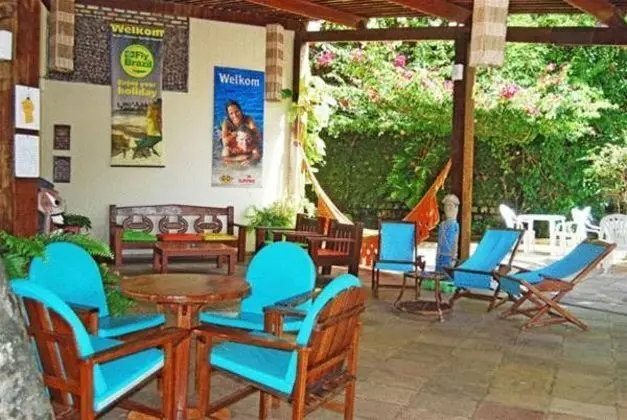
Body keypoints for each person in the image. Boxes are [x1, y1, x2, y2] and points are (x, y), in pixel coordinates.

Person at [220, 100, 261, 166]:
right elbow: (224, 142)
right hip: (234, 137)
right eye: (231, 113)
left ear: (241, 110)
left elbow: (256, 135)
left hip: (242, 136)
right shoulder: (226, 123)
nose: (235, 115)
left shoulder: (248, 119)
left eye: (237, 111)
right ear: (228, 115)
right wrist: (237, 132)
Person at [436, 194, 460, 272]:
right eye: (446, 205)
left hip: (449, 257)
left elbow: (455, 243)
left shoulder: (455, 225)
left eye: (450, 205)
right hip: (440, 256)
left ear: (456, 208)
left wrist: (454, 258)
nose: (447, 208)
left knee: (446, 276)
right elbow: (439, 242)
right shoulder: (442, 224)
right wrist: (437, 255)